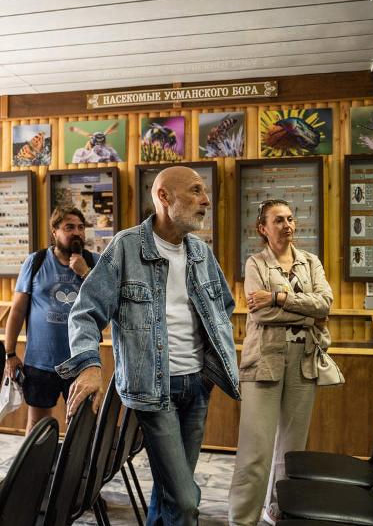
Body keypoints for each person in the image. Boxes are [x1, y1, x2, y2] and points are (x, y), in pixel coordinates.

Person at [57, 166, 240, 526]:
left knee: (170, 490)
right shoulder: (126, 247)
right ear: (164, 196)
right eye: (195, 191)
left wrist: (209, 369)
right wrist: (90, 367)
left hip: (197, 387)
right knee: (185, 500)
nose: (206, 200)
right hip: (153, 390)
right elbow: (85, 313)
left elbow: (224, 306)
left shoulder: (201, 252)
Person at [228, 199, 332, 526]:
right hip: (264, 361)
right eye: (278, 220)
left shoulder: (311, 262)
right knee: (255, 448)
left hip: (304, 360)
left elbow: (325, 303)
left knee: (291, 448)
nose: (287, 225)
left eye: (290, 218)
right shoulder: (256, 264)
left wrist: (278, 297)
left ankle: (278, 508)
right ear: (263, 228)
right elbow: (261, 314)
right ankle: (242, 518)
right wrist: (309, 316)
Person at [4, 207, 98, 434]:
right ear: (54, 232)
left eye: (80, 227)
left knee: (83, 426)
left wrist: (85, 273)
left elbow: (107, 301)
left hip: (82, 362)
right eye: (69, 227)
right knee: (38, 425)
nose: (77, 233)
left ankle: (77, 460)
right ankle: (35, 459)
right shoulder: (35, 262)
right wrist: (10, 353)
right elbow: (17, 310)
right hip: (40, 362)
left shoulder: (94, 262)